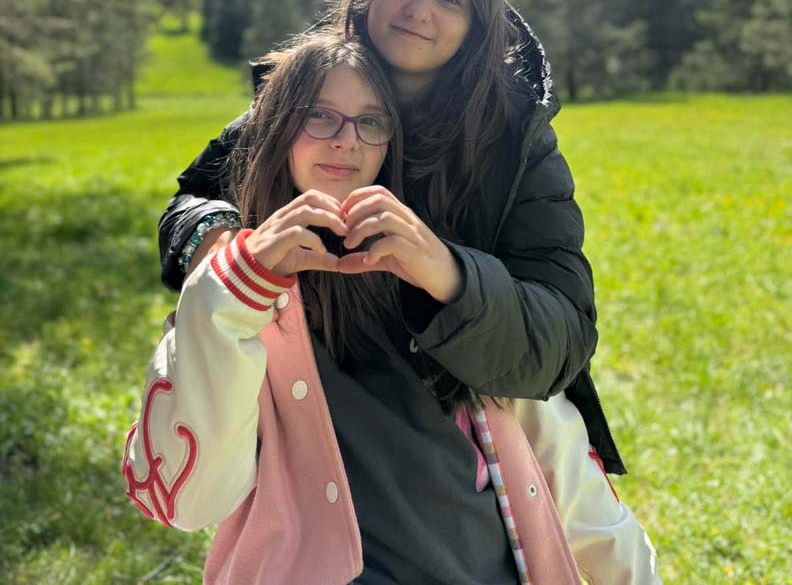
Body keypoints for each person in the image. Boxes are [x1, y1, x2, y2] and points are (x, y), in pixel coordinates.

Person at [149, 0, 660, 582]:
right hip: (320, 386)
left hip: (478, 392)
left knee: (594, 534)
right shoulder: (313, 87)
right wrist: (219, 242)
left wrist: (448, 272)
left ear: (478, 22)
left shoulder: (515, 136)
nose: (421, 9)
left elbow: (561, 334)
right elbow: (193, 198)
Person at [122, 32, 582, 583]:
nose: (347, 140)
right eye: (320, 116)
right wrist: (236, 286)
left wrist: (448, 275)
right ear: (273, 127)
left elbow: (548, 434)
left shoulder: (431, 257)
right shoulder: (239, 284)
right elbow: (186, 502)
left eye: (371, 121)